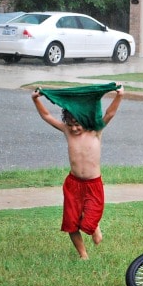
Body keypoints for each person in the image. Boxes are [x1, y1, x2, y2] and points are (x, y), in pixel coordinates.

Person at [31, 84, 124, 260]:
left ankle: (94, 227)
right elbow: (46, 116)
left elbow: (110, 114)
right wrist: (36, 99)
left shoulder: (95, 131)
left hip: (93, 184)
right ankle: (83, 255)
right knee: (71, 223)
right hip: (73, 183)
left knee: (89, 221)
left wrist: (119, 96)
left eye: (77, 124)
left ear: (85, 120)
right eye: (71, 124)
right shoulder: (67, 131)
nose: (74, 128)